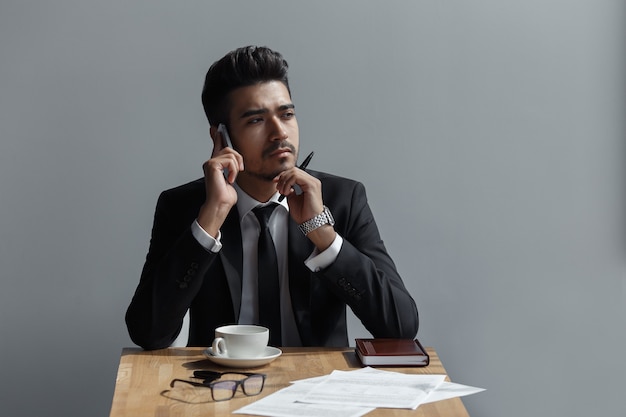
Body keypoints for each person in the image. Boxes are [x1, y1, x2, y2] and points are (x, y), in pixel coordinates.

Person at [126, 45, 418, 350]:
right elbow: (149, 333)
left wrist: (324, 237)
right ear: (220, 138)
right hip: (220, 389)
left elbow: (400, 328)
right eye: (256, 120)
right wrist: (211, 218)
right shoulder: (185, 207)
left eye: (287, 114)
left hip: (317, 388)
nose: (280, 132)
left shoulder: (342, 198)